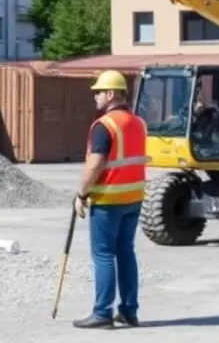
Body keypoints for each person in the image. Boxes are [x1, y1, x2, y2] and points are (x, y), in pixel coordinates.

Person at [71, 69, 150, 329]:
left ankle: (102, 313)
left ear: (111, 94)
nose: (95, 97)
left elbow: (95, 165)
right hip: (133, 198)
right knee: (126, 252)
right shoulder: (138, 122)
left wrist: (81, 194)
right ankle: (129, 311)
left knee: (103, 255)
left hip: (109, 200)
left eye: (98, 92)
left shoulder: (104, 126)